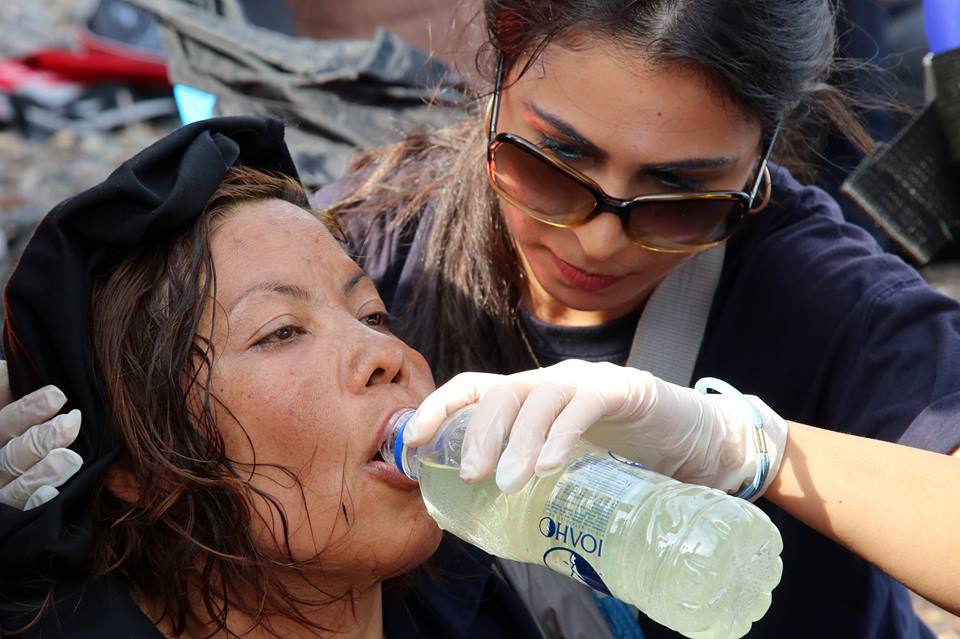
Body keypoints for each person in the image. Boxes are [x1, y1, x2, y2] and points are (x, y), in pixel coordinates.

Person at [314, 0, 960, 636]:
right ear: (498, 78)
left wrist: (745, 445)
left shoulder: (828, 297)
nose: (597, 241)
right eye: (553, 162)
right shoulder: (369, 249)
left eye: (680, 196)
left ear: (762, 155)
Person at [0, 117, 544, 638]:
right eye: (281, 332)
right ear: (138, 469)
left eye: (373, 314)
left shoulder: (488, 596)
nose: (385, 353)